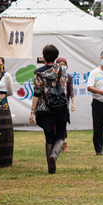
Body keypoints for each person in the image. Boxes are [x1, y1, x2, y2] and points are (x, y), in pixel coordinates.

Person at [29, 44, 69, 173]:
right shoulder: (62, 70)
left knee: (49, 136)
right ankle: (54, 155)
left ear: (44, 56)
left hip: (45, 108)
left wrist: (32, 111)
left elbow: (37, 93)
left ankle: (51, 167)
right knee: (61, 135)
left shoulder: (39, 73)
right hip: (61, 106)